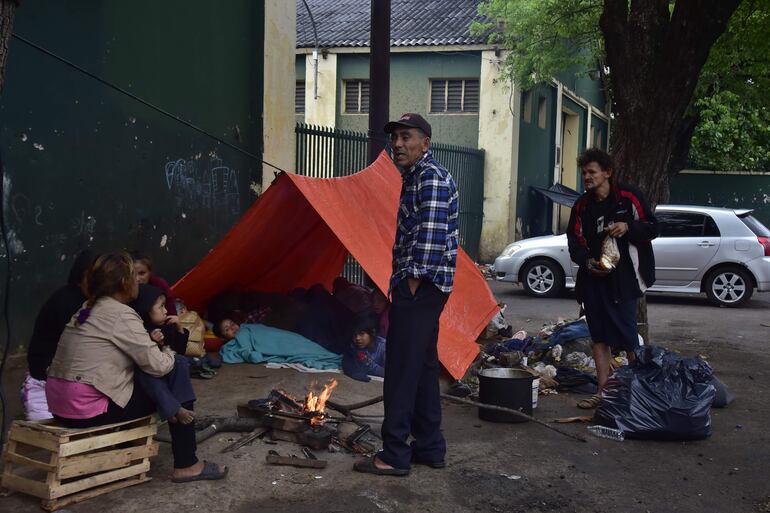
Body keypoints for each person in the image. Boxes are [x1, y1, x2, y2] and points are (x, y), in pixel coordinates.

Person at [45, 252, 227, 482]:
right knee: (176, 367)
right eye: (134, 276)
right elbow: (159, 366)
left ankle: (147, 440)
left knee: (149, 375)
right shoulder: (120, 314)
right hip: (86, 409)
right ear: (124, 283)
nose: (138, 282)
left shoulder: (86, 308)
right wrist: (169, 350)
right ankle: (187, 463)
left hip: (58, 403)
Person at [354, 113, 459, 476]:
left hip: (420, 289)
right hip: (424, 290)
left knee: (400, 369)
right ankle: (430, 447)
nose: (397, 144)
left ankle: (394, 454)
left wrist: (408, 288)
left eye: (406, 137)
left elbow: (428, 243)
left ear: (425, 143)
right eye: (395, 137)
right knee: (425, 367)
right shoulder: (417, 177)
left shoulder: (429, 179)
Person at [566, 148, 658, 409]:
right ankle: (604, 393)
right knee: (599, 338)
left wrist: (629, 227)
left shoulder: (628, 197)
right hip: (594, 280)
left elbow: (653, 227)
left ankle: (640, 396)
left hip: (625, 281)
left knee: (629, 338)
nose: (587, 177)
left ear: (607, 173)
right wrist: (587, 261)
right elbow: (574, 241)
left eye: (592, 172)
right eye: (584, 172)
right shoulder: (582, 206)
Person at [23, 250, 96, 420]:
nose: (97, 284)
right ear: (80, 277)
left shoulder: (97, 302)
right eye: (92, 277)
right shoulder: (66, 301)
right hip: (45, 380)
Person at [129, 284, 196, 424]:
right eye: (160, 307)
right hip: (144, 377)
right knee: (150, 378)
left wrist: (179, 328)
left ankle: (179, 406)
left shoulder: (165, 327)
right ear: (146, 310)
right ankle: (174, 409)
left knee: (181, 361)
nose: (165, 311)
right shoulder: (137, 330)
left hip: (166, 370)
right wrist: (151, 340)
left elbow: (179, 351)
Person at [130, 250, 177, 315]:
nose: (137, 279)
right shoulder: (123, 291)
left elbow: (171, 314)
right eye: (132, 274)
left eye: (142, 273)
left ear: (150, 272)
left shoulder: (159, 285)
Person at [342, 314, 386, 381]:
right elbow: (347, 363)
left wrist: (369, 364)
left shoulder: (383, 347)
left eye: (361, 334)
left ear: (373, 333)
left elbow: (391, 372)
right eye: (355, 334)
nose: (357, 338)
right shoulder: (353, 346)